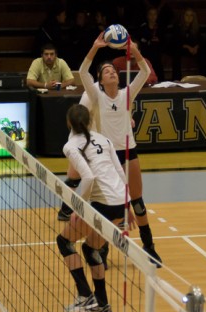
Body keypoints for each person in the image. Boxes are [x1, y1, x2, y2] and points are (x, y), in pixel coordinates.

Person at [58, 33, 162, 268]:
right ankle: (100, 249)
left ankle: (150, 247)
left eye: (113, 70)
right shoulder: (95, 95)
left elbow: (144, 73)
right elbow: (83, 72)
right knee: (105, 206)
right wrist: (94, 48)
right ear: (100, 80)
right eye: (106, 71)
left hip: (128, 152)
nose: (112, 72)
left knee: (137, 203)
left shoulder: (127, 93)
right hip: (105, 156)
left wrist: (134, 50)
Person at [57, 103, 132, 312]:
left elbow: (88, 177)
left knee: (64, 242)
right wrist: (127, 204)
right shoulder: (103, 138)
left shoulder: (71, 146)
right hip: (119, 202)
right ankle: (102, 305)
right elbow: (120, 170)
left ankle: (84, 294)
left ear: (69, 123)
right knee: (90, 250)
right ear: (89, 121)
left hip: (103, 204)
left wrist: (81, 207)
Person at [171, 8, 204, 81]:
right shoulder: (177, 27)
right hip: (182, 49)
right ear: (183, 16)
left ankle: (204, 77)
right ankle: (177, 79)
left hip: (193, 49)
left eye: (191, 15)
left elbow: (200, 40)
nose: (189, 18)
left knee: (203, 53)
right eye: (187, 15)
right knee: (176, 53)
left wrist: (196, 47)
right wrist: (188, 47)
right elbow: (176, 42)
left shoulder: (196, 27)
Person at [138, 6, 165, 81]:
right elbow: (141, 40)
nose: (153, 17)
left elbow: (164, 41)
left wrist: (158, 40)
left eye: (155, 14)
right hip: (146, 52)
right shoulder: (143, 27)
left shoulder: (160, 27)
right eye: (150, 14)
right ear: (147, 16)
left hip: (157, 52)